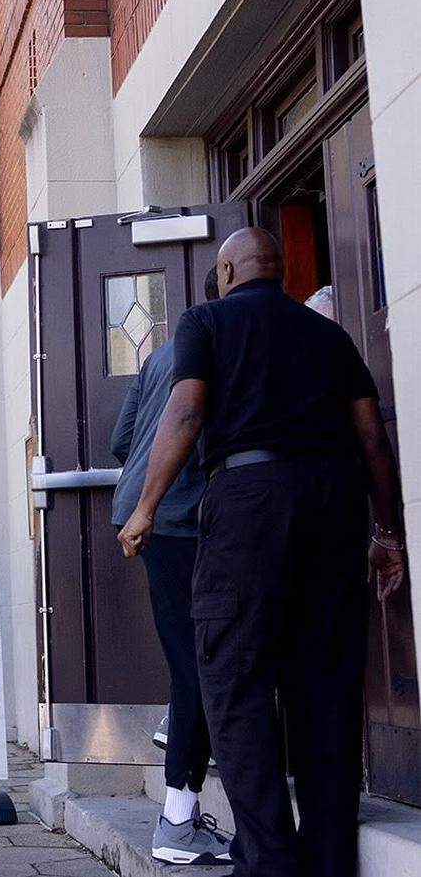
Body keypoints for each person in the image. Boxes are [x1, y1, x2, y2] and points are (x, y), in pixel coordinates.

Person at [118, 228, 407, 877]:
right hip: (334, 501)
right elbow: (370, 434)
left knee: (233, 677)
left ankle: (270, 859)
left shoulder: (206, 321)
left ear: (227, 270)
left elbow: (187, 412)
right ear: (277, 270)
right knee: (326, 683)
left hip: (248, 500)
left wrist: (144, 507)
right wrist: (387, 532)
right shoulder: (329, 334)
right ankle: (329, 859)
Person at [110, 269, 230, 866]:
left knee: (192, 660)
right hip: (179, 514)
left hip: (143, 511)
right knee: (201, 668)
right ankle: (177, 823)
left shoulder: (159, 355)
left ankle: (176, 733)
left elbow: (121, 438)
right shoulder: (225, 345)